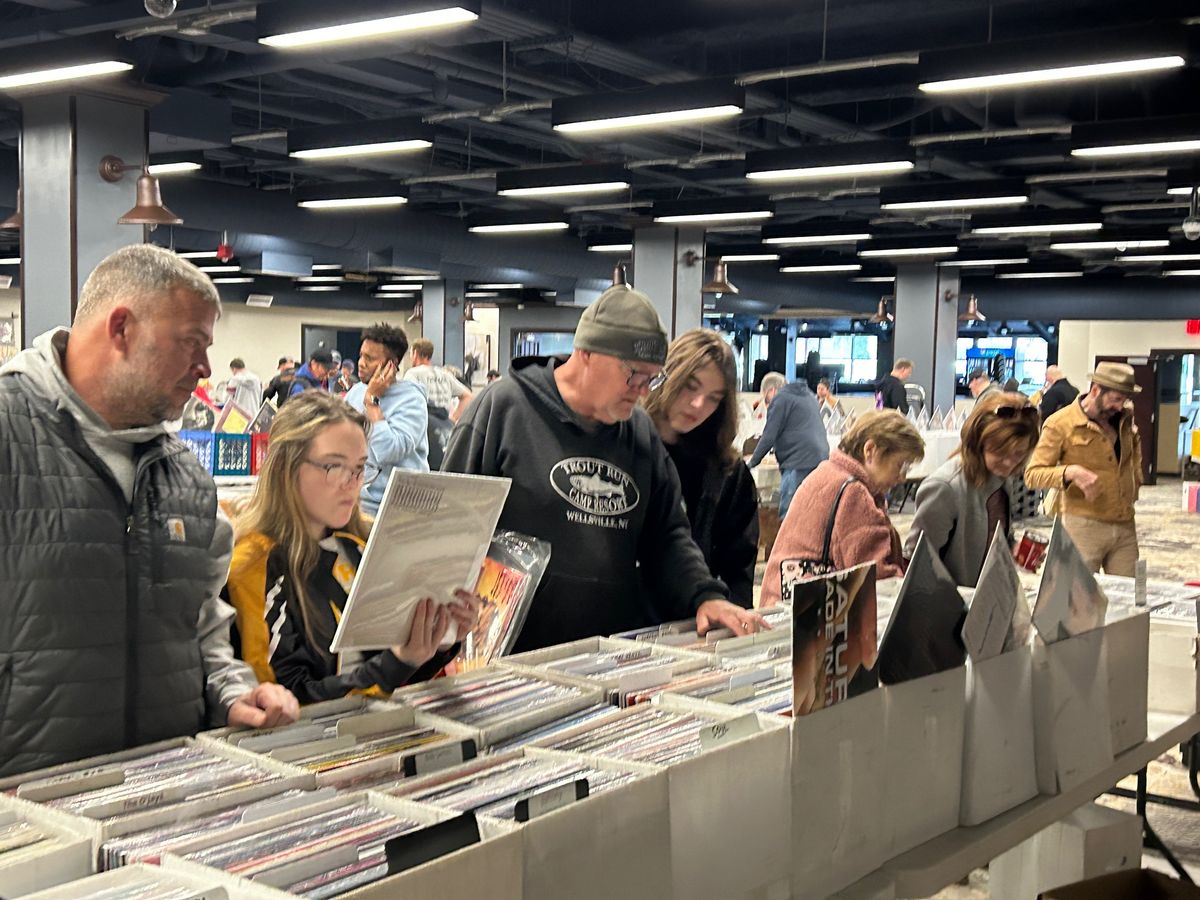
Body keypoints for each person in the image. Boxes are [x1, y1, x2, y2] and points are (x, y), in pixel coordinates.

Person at [0, 244, 298, 776]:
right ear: (121, 329)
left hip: (161, 801)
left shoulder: (187, 478)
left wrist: (232, 693)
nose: (205, 368)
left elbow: (200, 627)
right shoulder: (9, 436)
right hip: (28, 815)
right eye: (190, 343)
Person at [442, 285, 766, 651]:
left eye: (652, 378)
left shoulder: (639, 433)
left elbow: (669, 537)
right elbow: (448, 530)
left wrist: (705, 595)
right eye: (633, 375)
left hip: (602, 655)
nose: (642, 391)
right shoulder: (503, 410)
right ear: (586, 353)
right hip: (507, 653)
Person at [224, 391, 480, 704]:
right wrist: (397, 662)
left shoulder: (360, 545)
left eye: (360, 468)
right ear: (285, 467)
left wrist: (437, 640)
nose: (352, 483)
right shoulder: (254, 562)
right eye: (334, 467)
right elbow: (285, 700)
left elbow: (390, 675)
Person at [643, 328, 759, 608]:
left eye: (714, 398)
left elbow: (738, 572)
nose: (698, 405)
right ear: (666, 377)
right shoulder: (629, 448)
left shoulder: (728, 473)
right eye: (690, 386)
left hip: (697, 623)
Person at [761, 410, 925, 606]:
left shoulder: (829, 472)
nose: (902, 477)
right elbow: (878, 580)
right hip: (806, 621)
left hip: (782, 608)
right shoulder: (853, 493)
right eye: (901, 465)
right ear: (870, 450)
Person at [905, 393, 1041, 586]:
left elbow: (998, 534)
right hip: (952, 605)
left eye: (1019, 454)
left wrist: (1013, 548)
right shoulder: (944, 487)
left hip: (985, 595)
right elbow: (917, 563)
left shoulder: (1001, 477)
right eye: (1000, 453)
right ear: (978, 444)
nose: (1010, 463)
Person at [1025, 362, 1143, 576]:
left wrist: (1136, 482)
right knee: (1077, 599)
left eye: (1124, 400)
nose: (1120, 406)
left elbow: (1132, 458)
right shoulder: (1060, 423)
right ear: (1096, 390)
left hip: (1125, 523)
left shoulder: (1124, 419)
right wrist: (1071, 472)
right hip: (1082, 526)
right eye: (1116, 399)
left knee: (1129, 597)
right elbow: (1032, 475)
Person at [345, 323, 430, 514]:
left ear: (391, 365)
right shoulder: (356, 393)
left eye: (370, 358)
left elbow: (389, 450)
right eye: (361, 355)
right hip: (359, 501)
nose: (361, 363)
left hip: (401, 507)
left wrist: (372, 403)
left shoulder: (412, 400)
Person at [747, 372, 830, 520]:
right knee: (810, 515)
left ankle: (787, 543)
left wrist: (751, 463)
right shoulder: (809, 396)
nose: (767, 405)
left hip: (798, 462)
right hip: (821, 459)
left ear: (771, 391)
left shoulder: (780, 399)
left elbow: (769, 436)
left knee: (789, 517)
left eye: (766, 399)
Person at [405, 338, 474, 422]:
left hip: (424, 427)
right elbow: (468, 396)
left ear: (415, 354)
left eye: (411, 353)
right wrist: (453, 419)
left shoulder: (413, 374)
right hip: (444, 429)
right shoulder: (446, 374)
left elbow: (407, 401)